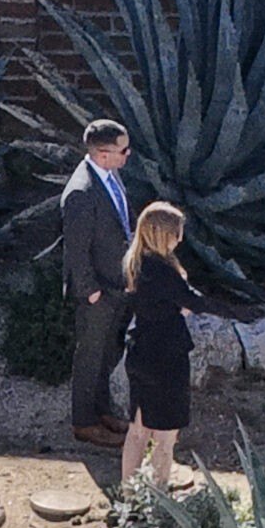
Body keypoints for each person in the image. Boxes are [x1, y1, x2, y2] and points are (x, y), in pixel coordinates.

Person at [115, 200, 204, 486]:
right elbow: (194, 302)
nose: (180, 239)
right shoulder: (164, 271)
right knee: (166, 437)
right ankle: (159, 502)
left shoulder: (137, 263)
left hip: (141, 352)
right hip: (166, 358)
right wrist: (247, 313)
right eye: (177, 233)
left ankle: (129, 498)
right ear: (166, 235)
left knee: (138, 430)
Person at [61, 118, 135, 448]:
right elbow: (76, 249)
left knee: (107, 352)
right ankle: (84, 422)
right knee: (90, 356)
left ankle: (102, 411)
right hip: (98, 291)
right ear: (103, 154)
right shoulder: (81, 192)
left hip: (117, 284)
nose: (128, 155)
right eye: (123, 150)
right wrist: (89, 291)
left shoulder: (110, 175)